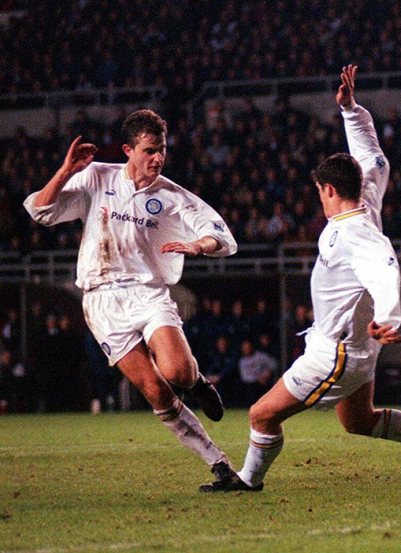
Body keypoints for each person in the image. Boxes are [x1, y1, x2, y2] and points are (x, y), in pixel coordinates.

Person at [214, 65, 401, 492]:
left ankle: (247, 481)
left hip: (336, 353)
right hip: (355, 347)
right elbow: (372, 151)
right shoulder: (367, 195)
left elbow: (385, 266)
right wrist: (350, 112)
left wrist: (390, 318)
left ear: (326, 190)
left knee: (261, 415)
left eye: (318, 191)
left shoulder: (357, 233)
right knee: (359, 421)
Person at [23, 108, 240, 490]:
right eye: (150, 150)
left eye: (162, 150)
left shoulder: (171, 195)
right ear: (128, 149)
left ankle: (197, 381)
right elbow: (41, 211)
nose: (158, 158)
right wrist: (65, 171)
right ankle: (219, 464)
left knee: (176, 374)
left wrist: (197, 245)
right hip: (101, 300)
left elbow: (221, 236)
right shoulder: (96, 178)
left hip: (147, 291)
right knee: (155, 390)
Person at [237, 338, 277, 406]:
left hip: (260, 383)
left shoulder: (260, 356)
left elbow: (274, 364)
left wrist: (266, 374)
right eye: (245, 348)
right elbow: (244, 377)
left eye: (248, 347)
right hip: (248, 385)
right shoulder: (242, 361)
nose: (247, 349)